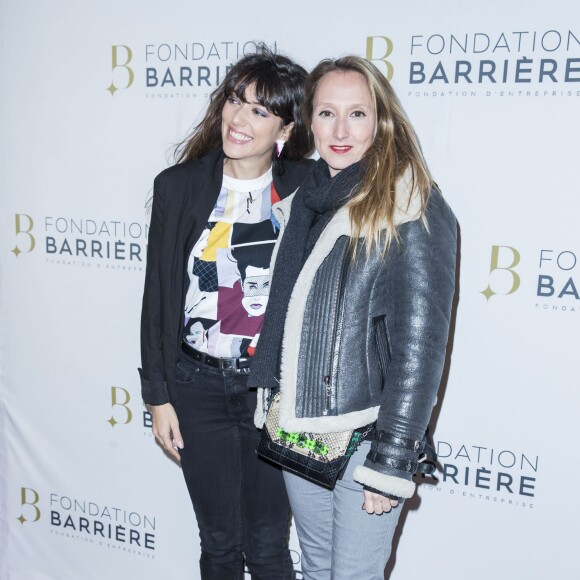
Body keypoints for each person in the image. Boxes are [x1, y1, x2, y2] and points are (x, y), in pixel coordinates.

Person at [249, 56, 457, 580]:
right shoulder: (306, 200)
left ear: (381, 120)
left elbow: (421, 347)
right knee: (316, 567)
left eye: (357, 114)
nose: (340, 131)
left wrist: (391, 463)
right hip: (298, 423)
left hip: (366, 437)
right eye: (326, 113)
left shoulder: (411, 204)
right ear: (308, 122)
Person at [139, 47, 313, 580]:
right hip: (197, 386)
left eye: (261, 110)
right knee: (217, 544)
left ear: (285, 128)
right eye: (236, 100)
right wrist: (158, 395)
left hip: (275, 394)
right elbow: (158, 298)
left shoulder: (311, 189)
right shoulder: (179, 186)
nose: (239, 118)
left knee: (266, 547)